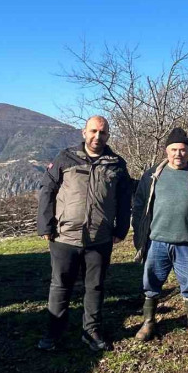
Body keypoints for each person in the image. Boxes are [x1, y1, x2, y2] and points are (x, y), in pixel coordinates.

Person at [36, 115, 132, 352]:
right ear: (84, 132)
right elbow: (47, 191)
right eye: (93, 131)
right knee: (60, 286)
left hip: (100, 238)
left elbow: (123, 200)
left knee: (96, 287)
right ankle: (53, 333)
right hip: (64, 237)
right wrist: (45, 226)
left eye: (102, 132)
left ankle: (91, 332)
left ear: (108, 135)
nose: (97, 136)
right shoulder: (65, 158)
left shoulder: (117, 164)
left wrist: (121, 229)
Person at [132, 128, 188, 344]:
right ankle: (148, 322)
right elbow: (139, 202)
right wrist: (139, 226)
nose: (178, 154)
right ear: (166, 151)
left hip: (187, 242)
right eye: (174, 150)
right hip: (157, 241)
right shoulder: (152, 175)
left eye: (182, 150)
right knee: (151, 283)